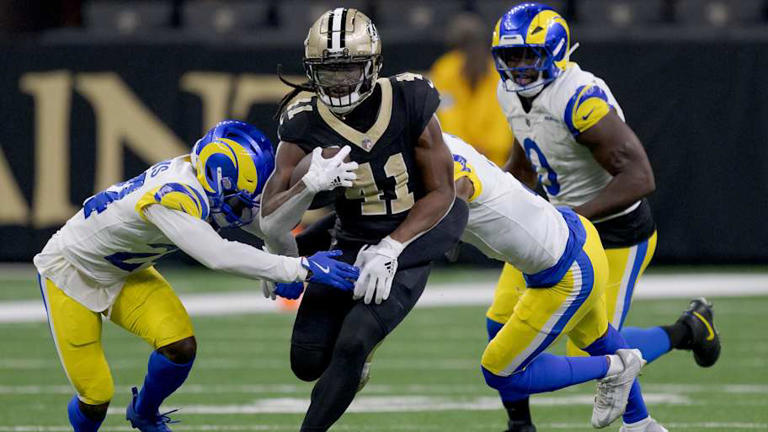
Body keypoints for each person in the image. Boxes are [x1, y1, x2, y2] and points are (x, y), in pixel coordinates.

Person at [32, 120, 359, 432]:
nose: (246, 205)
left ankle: (144, 412)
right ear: (219, 181)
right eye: (239, 197)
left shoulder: (208, 179)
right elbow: (218, 255)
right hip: (70, 273)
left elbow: (266, 223)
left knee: (179, 347)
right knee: (97, 396)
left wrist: (285, 258)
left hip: (126, 271)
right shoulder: (173, 197)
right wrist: (302, 268)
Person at [488, 4, 720, 431]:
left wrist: (574, 219)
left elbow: (639, 177)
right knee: (499, 321)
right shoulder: (509, 93)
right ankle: (520, 425)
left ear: (555, 52)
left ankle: (685, 334)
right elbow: (524, 159)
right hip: (556, 225)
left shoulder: (581, 100)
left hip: (614, 232)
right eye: (510, 56)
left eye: (527, 55)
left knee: (591, 350)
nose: (517, 66)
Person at [260, 8, 468, 432]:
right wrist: (308, 188)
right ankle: (354, 364)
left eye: (348, 68)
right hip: (349, 236)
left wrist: (392, 248)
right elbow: (270, 214)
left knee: (354, 342)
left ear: (373, 64)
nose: (338, 81)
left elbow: (443, 194)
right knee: (306, 361)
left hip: (411, 233)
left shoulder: (408, 98)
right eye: (328, 71)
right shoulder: (302, 118)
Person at [429, 12, 514, 166]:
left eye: (478, 45)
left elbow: (503, 120)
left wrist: (489, 149)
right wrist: (466, 150)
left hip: (496, 163)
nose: (474, 52)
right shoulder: (445, 70)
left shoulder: (499, 73)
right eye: (467, 47)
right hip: (457, 161)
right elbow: (447, 115)